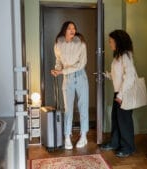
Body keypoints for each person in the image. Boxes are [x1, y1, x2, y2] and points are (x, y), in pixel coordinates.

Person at [51, 21, 89, 150]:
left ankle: (83, 135)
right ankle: (67, 135)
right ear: (64, 30)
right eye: (69, 28)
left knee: (83, 107)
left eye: (74, 28)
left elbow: (81, 64)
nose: (72, 30)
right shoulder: (58, 44)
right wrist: (56, 70)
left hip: (81, 77)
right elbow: (58, 61)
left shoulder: (81, 44)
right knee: (68, 109)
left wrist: (62, 71)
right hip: (67, 79)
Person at [100, 30, 136, 157]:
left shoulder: (125, 56)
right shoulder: (118, 56)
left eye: (111, 41)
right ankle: (115, 143)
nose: (109, 43)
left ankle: (128, 148)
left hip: (124, 94)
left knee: (124, 121)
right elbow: (119, 75)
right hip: (119, 93)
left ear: (117, 41)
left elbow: (130, 77)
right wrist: (108, 75)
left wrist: (120, 95)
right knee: (116, 119)